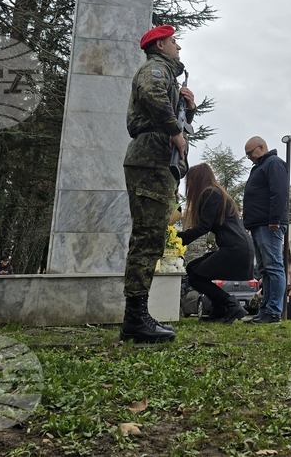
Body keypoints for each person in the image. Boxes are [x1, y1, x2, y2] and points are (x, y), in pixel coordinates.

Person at [120, 25, 196, 344]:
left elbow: (173, 115)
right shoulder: (156, 68)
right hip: (151, 157)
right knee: (147, 237)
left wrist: (187, 109)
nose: (178, 46)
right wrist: (174, 132)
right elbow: (152, 96)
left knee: (151, 237)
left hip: (157, 159)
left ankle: (137, 315)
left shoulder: (167, 74)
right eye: (174, 41)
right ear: (161, 44)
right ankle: (135, 319)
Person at [175, 163, 254, 324]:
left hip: (235, 249)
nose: (188, 184)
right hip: (237, 247)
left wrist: (177, 239)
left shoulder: (211, 193)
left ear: (197, 179)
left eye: (190, 180)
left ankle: (231, 305)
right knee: (192, 268)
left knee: (196, 276)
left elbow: (204, 227)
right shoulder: (217, 193)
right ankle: (220, 310)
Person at [242, 136, 289, 324]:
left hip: (269, 224)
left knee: (274, 267)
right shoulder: (262, 166)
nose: (248, 157)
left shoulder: (274, 163)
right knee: (265, 269)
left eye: (249, 153)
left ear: (260, 147)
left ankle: (273, 312)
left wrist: (274, 219)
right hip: (259, 224)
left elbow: (279, 192)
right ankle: (266, 311)